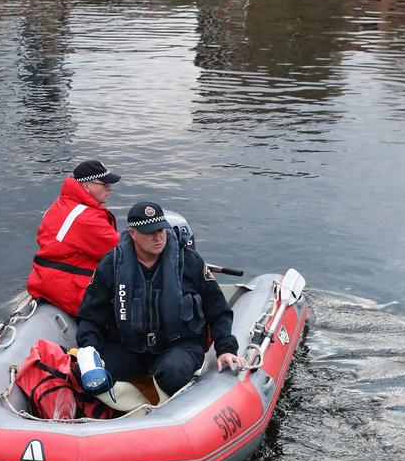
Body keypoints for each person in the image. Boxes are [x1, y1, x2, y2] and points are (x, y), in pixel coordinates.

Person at [76, 200, 246, 401]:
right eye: (149, 232)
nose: (157, 237)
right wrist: (90, 353)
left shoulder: (189, 262)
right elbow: (89, 318)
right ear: (133, 233)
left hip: (179, 345)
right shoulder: (111, 265)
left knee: (172, 374)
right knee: (84, 376)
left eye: (161, 230)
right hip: (130, 347)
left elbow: (218, 310)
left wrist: (226, 348)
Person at [26, 159, 121, 316]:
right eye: (104, 184)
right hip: (70, 289)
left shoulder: (62, 203)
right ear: (86, 186)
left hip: (46, 279)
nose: (109, 188)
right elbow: (121, 251)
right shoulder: (86, 219)